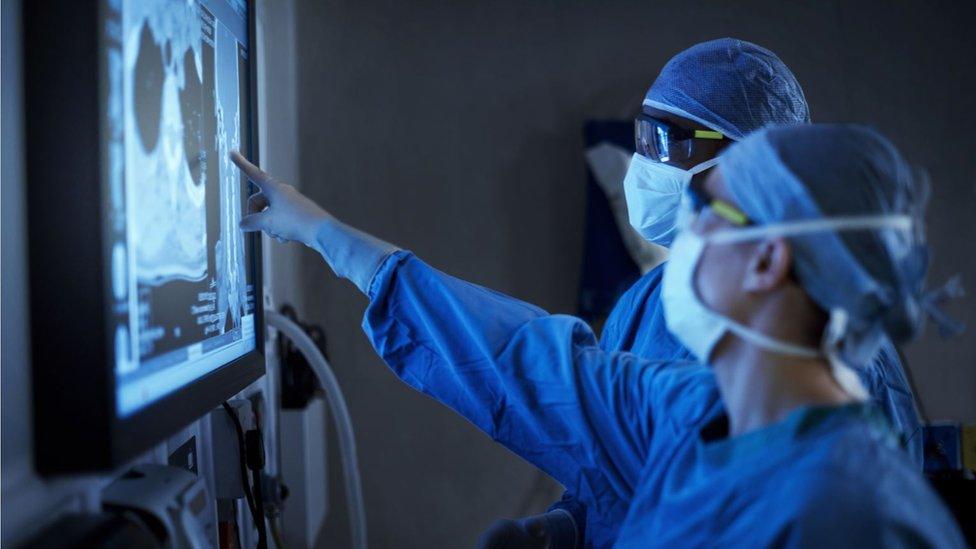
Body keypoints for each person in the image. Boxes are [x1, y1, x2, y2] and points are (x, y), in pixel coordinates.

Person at [230, 123, 963, 547]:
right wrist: (320, 232)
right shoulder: (699, 412)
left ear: (770, 258)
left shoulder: (850, 512)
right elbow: (523, 359)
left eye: (708, 206)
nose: (685, 235)